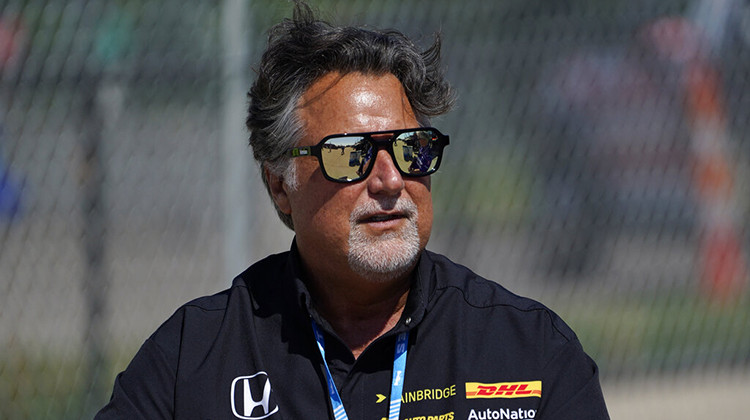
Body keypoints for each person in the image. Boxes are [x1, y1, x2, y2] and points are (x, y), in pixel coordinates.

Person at [96, 2, 609, 419]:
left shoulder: (530, 352)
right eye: (350, 155)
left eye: (412, 149)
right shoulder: (194, 361)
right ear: (279, 185)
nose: (389, 180)